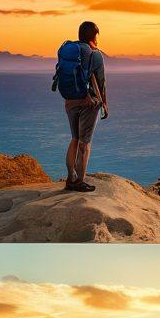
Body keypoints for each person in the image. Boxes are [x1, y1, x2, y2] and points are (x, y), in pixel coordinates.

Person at [58, 20, 107, 193]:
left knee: (74, 138)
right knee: (85, 144)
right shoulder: (95, 54)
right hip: (88, 102)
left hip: (69, 100)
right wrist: (105, 104)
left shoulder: (70, 50)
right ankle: (80, 181)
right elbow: (100, 82)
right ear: (94, 36)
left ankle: (70, 179)